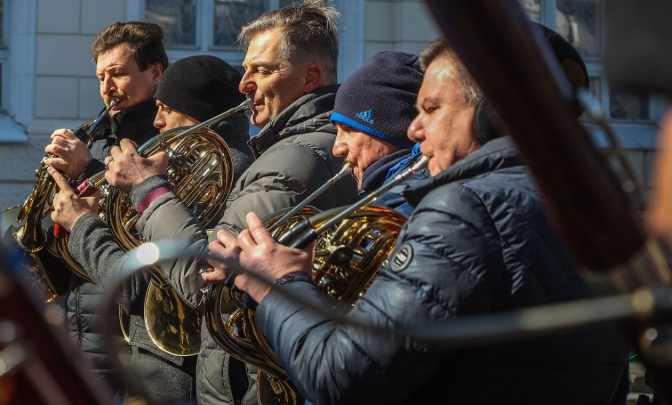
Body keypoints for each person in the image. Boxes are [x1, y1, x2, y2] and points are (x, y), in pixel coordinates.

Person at [212, 36, 629, 404]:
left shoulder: (463, 208)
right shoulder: (600, 206)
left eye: (431, 108)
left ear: (493, 115)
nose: (414, 130)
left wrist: (278, 284)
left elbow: (345, 380)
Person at [101, 0, 358, 405]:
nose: (244, 85)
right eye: (244, 70)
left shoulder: (294, 157)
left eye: (261, 70)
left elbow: (204, 279)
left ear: (310, 77)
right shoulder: (293, 148)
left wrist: (148, 191)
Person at [50, 54, 253, 404]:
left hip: (173, 374)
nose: (157, 121)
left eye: (166, 109)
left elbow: (134, 287)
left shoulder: (215, 175)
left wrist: (81, 224)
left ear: (196, 114)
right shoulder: (202, 165)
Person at [43, 21, 169, 398]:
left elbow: (149, 212)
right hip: (83, 328)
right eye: (101, 77)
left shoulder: (169, 138)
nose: (107, 88)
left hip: (130, 342)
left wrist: (87, 170)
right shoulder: (98, 138)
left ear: (155, 73)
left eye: (117, 74)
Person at [329, 51, 424, 215]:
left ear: (394, 131)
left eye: (350, 129)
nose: (336, 149)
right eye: (337, 130)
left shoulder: (412, 210)